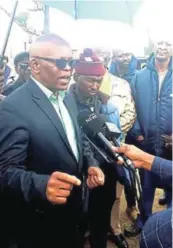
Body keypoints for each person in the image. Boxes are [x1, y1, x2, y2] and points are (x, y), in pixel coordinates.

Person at [0, 34, 104, 248]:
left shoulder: (66, 96)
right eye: (60, 63)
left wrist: (90, 163)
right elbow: (5, 171)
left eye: (71, 62)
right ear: (35, 65)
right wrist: (41, 184)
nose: (68, 69)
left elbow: (78, 137)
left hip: (73, 212)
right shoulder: (12, 108)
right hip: (38, 224)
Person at [68, 48, 127, 248]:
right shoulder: (65, 103)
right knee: (77, 221)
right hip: (77, 171)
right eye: (89, 80)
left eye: (98, 80)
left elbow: (115, 132)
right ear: (76, 77)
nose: (95, 85)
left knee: (100, 219)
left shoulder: (105, 103)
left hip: (105, 171)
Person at [94, 48, 139, 237]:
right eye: (98, 57)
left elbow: (131, 112)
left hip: (116, 144)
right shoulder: (80, 83)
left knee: (116, 190)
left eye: (104, 57)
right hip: (92, 145)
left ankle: (114, 227)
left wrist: (116, 133)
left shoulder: (121, 84)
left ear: (108, 59)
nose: (102, 60)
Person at [129, 39, 172, 223]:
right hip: (145, 140)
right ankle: (144, 219)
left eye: (168, 43)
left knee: (171, 181)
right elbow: (131, 107)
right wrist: (137, 132)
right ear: (153, 47)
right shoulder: (139, 76)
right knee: (146, 183)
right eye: (159, 42)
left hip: (170, 142)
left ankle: (169, 224)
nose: (163, 47)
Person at [112, 144, 172, 248]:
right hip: (150, 155)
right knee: (146, 192)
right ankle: (142, 221)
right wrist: (145, 159)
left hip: (157, 238)